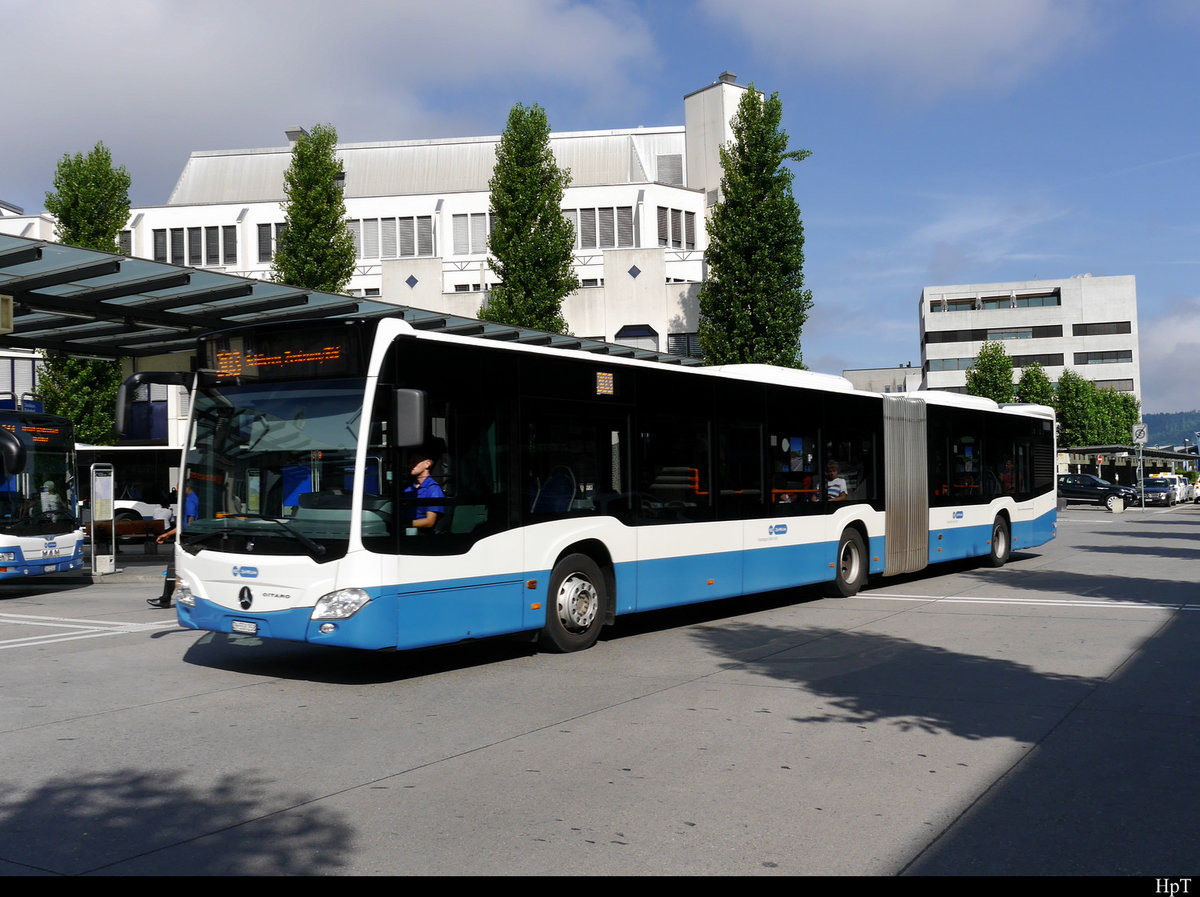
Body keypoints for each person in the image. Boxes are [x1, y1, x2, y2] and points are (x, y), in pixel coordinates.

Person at [147, 482, 196, 609]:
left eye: (178, 487)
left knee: (173, 569)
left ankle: (165, 599)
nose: (176, 491)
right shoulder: (195, 498)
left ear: (186, 486)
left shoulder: (190, 501)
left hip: (185, 541)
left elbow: (189, 524)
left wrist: (179, 537)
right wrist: (168, 534)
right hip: (190, 539)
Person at [404, 446, 445, 531]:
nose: (410, 465)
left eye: (414, 461)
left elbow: (430, 522)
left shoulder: (433, 489)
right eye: (410, 462)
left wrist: (405, 524)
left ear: (427, 464)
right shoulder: (408, 488)